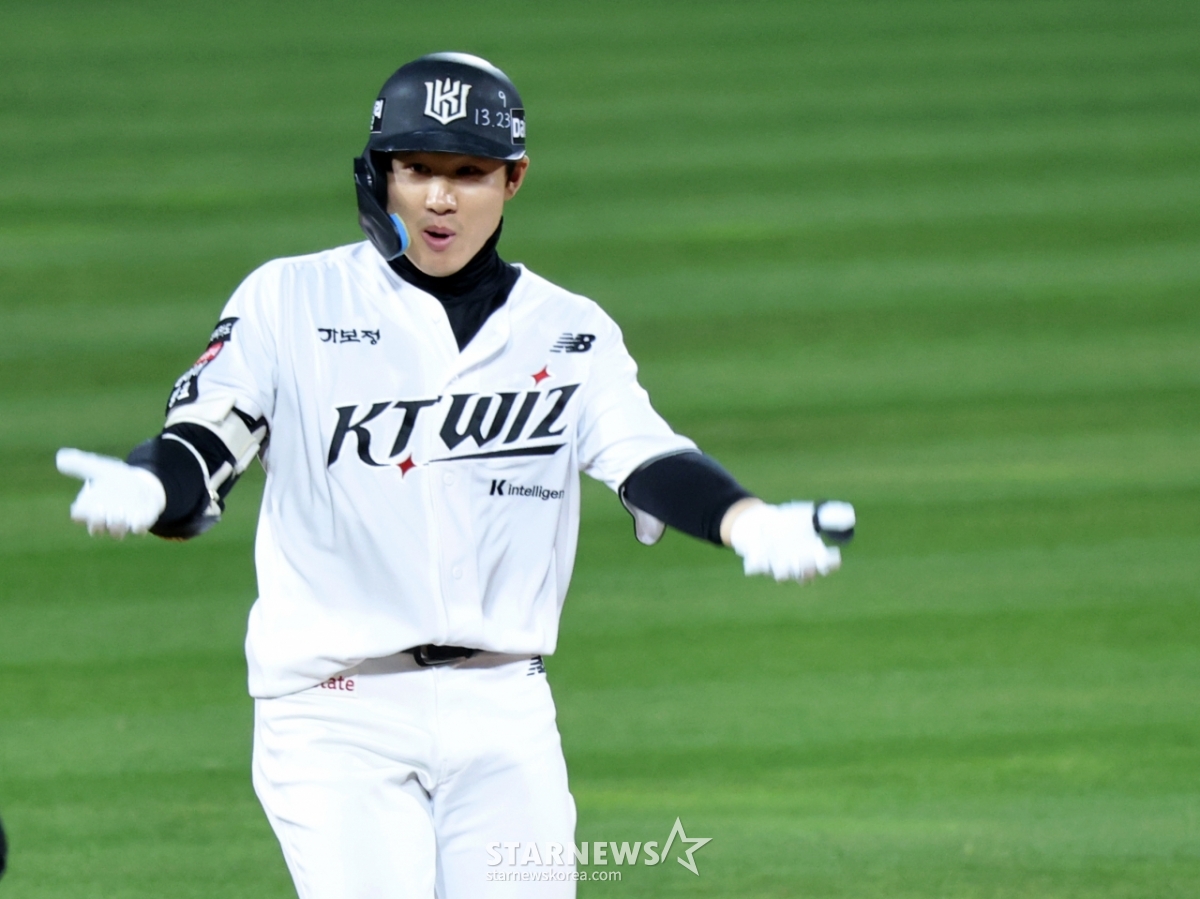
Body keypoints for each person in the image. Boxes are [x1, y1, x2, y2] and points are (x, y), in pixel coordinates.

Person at [56, 52, 854, 898]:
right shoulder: (290, 299)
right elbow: (208, 438)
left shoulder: (570, 329)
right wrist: (154, 484)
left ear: (514, 178)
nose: (440, 198)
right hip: (335, 712)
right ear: (381, 175)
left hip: (505, 709)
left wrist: (748, 520)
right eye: (417, 169)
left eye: (468, 173)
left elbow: (647, 456)